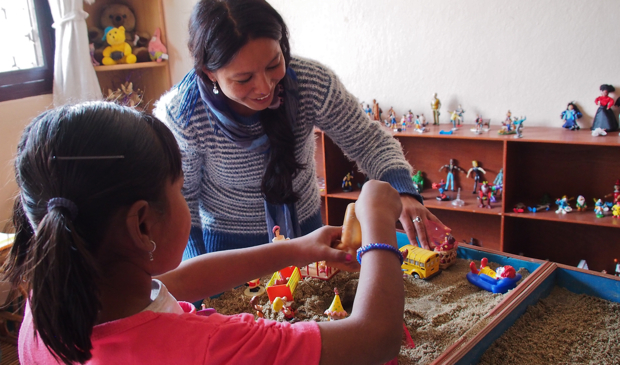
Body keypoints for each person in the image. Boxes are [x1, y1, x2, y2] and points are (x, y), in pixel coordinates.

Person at [7, 101, 405, 365]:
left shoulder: (49, 310)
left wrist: (295, 250)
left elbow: (175, 283)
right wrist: (378, 224)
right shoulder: (209, 347)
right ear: (143, 224)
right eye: (179, 188)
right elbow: (375, 337)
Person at [154, 0, 446, 258]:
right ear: (209, 73)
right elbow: (181, 201)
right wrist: (197, 277)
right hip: (230, 252)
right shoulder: (184, 113)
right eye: (244, 79)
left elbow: (369, 142)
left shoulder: (310, 83)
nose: (265, 87)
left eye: (273, 64)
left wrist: (403, 191)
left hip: (306, 233)